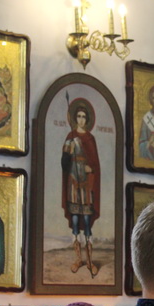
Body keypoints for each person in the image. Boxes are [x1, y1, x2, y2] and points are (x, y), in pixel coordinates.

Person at [61, 98, 101, 277]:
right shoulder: (70, 137)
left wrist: (90, 168)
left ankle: (90, 260)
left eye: (84, 116)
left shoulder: (90, 139)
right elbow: (64, 163)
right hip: (73, 182)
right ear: (75, 118)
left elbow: (95, 164)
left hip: (86, 184)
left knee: (86, 220)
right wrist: (67, 152)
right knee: (75, 220)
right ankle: (78, 259)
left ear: (88, 119)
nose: (81, 119)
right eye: (78, 116)